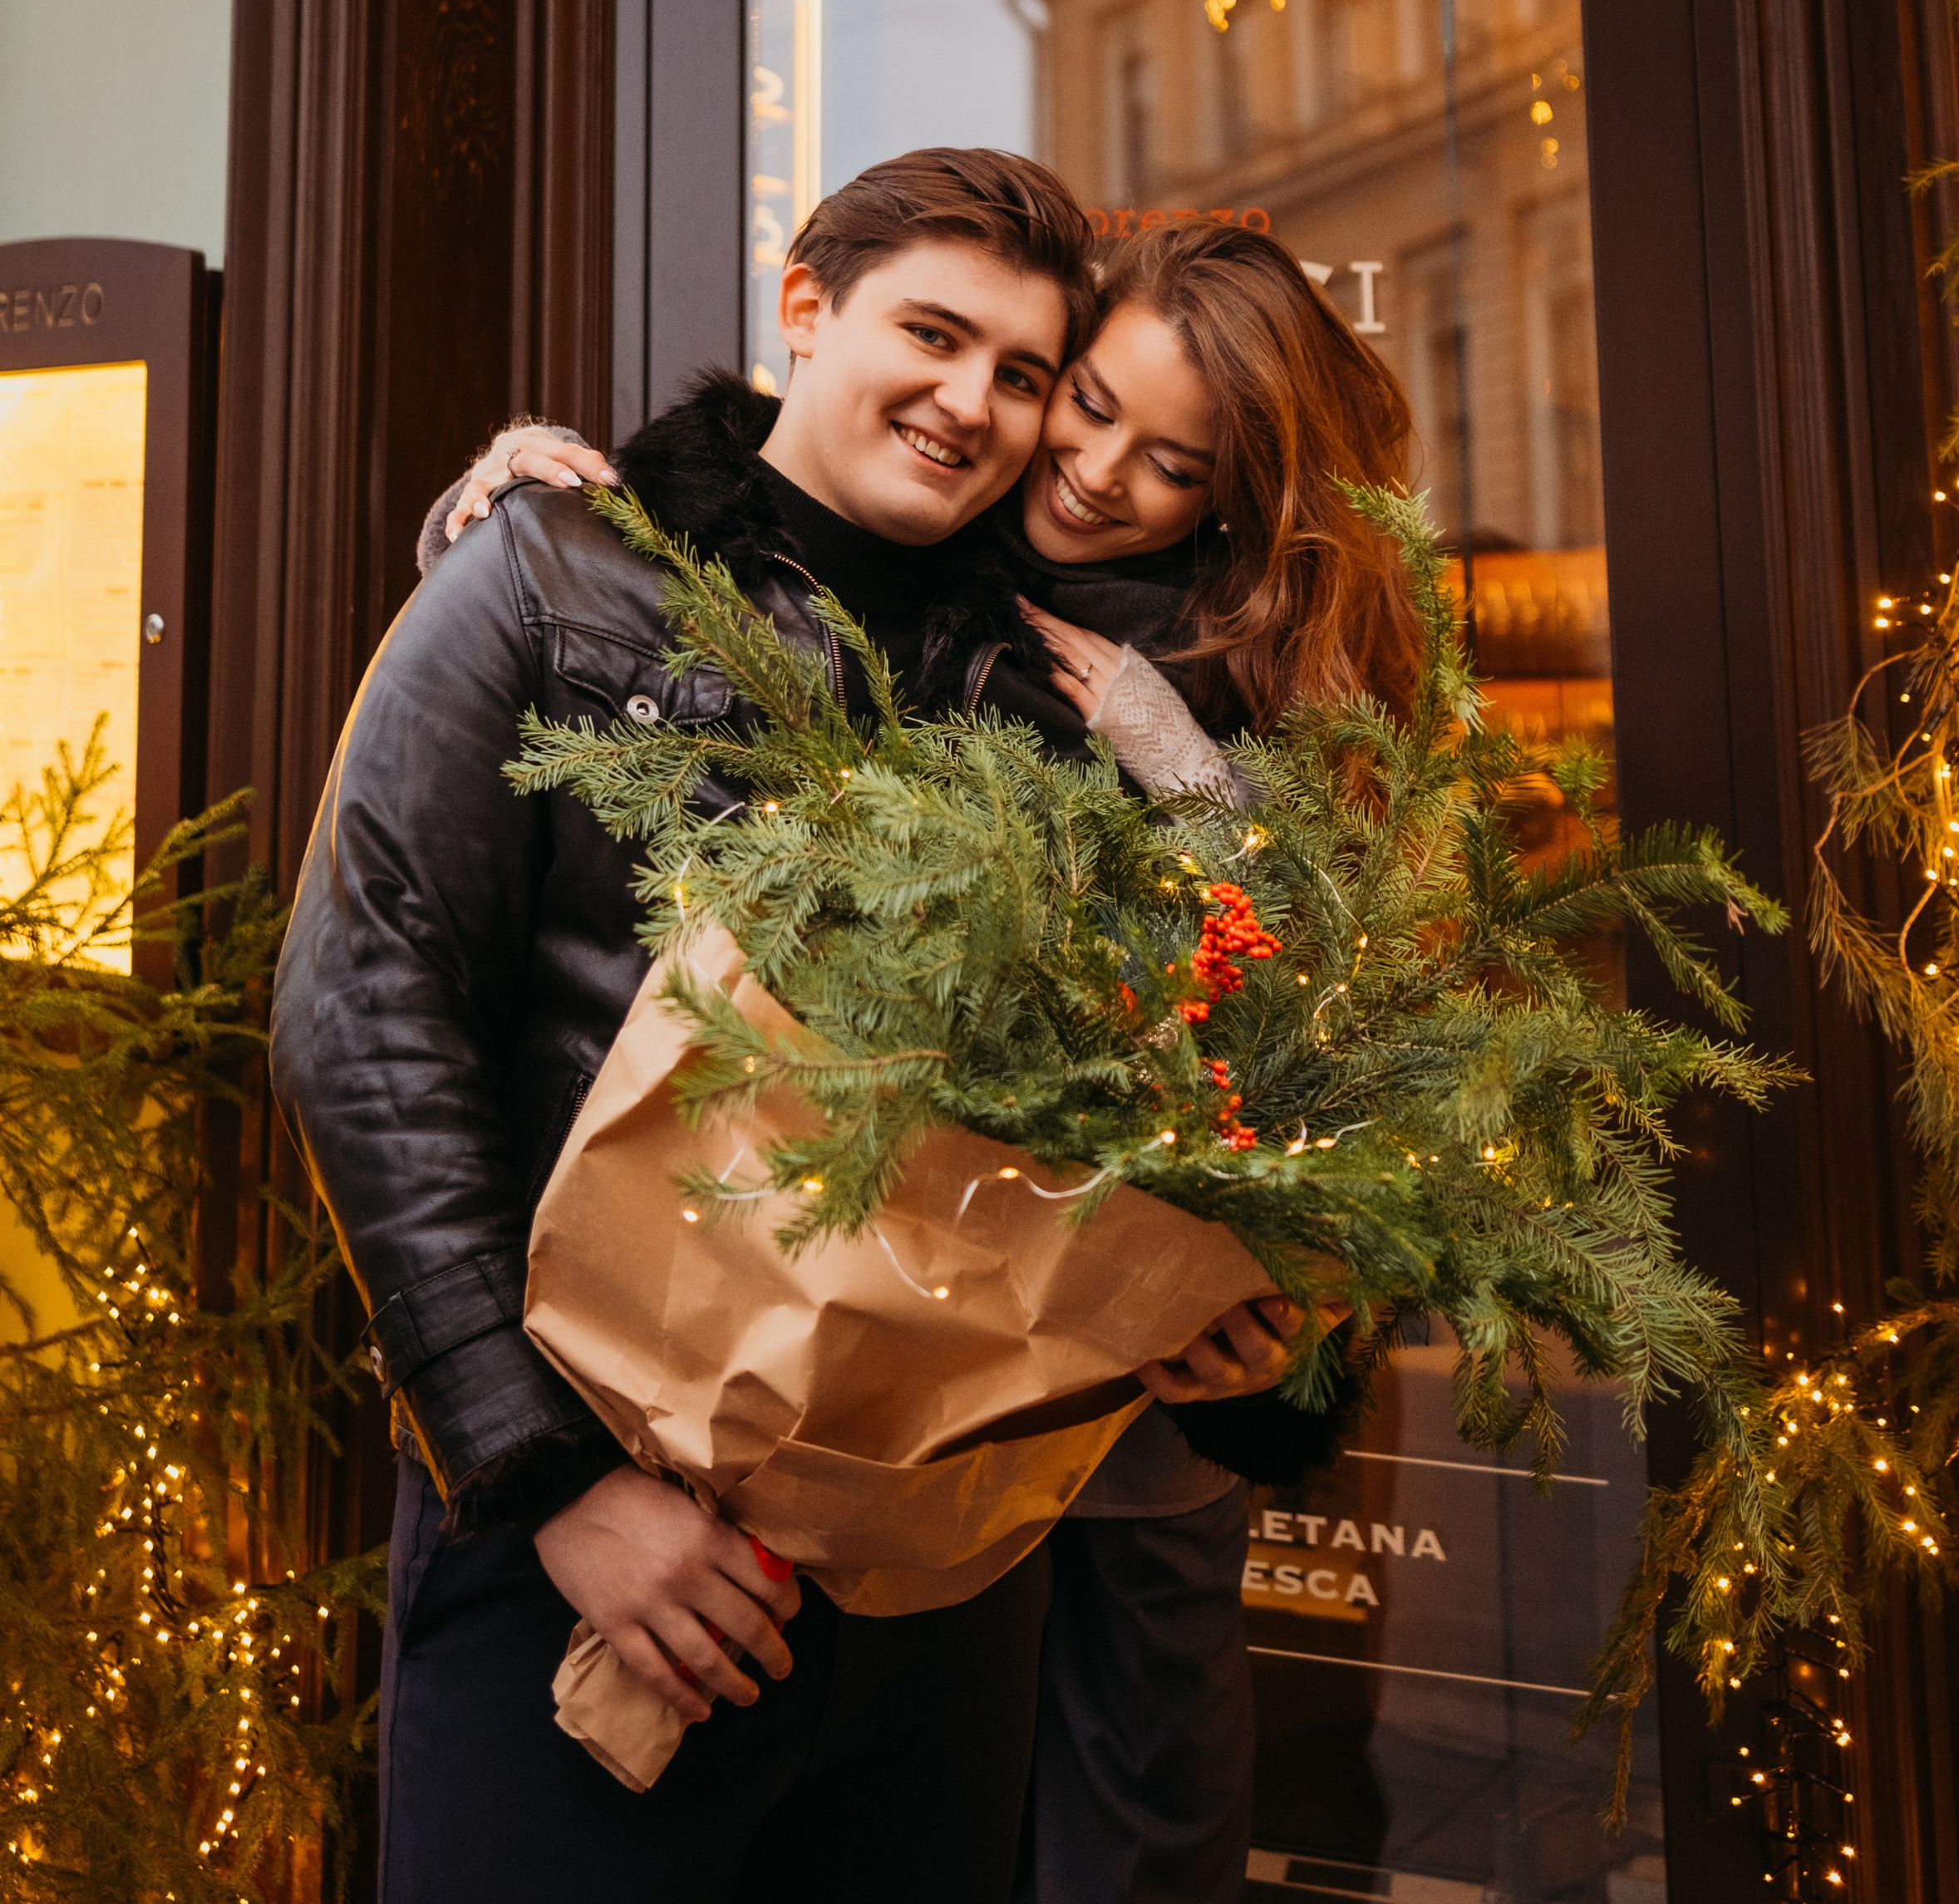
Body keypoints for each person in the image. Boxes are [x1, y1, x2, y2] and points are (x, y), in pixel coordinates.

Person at [271, 150, 1305, 1904]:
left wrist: (1259, 1332)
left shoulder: (1059, 687)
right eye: (933, 333)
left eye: (1023, 373)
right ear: (804, 307)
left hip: (940, 1597)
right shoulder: (556, 574)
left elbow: (1228, 1067)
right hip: (589, 1551)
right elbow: (361, 1016)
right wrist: (548, 1484)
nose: (973, 401)